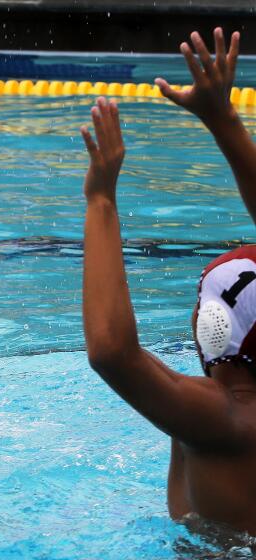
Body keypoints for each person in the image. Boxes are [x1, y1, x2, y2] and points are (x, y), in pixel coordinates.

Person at [81, 28, 256, 533]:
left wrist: (101, 201)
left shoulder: (221, 417)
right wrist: (223, 119)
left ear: (213, 325)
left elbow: (112, 351)